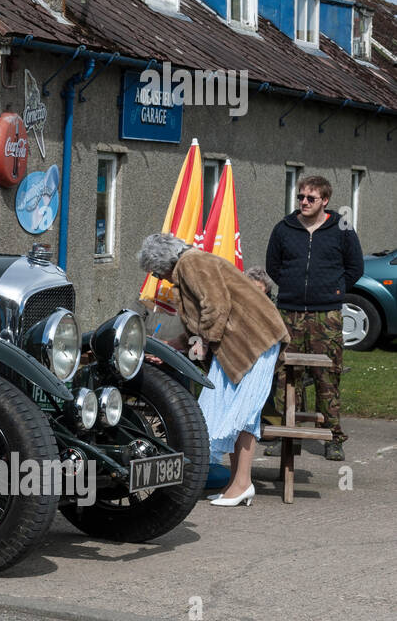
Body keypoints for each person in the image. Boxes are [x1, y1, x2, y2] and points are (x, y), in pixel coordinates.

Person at [139, 233, 288, 507]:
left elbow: (215, 306)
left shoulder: (191, 263)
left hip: (254, 340)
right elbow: (201, 322)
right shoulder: (190, 265)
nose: (162, 280)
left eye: (158, 274)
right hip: (241, 344)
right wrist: (175, 345)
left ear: (164, 264)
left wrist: (203, 342)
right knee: (228, 411)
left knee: (242, 414)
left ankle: (242, 483)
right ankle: (237, 483)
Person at [264, 175, 364, 462]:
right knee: (283, 374)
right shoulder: (284, 228)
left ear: (325, 201)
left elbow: (354, 267)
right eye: (301, 197)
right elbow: (274, 265)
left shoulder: (341, 228)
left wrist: (332, 289)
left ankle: (332, 437)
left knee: (327, 376)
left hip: (327, 315)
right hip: (289, 313)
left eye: (311, 198)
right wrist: (294, 288)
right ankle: (285, 435)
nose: (304, 202)